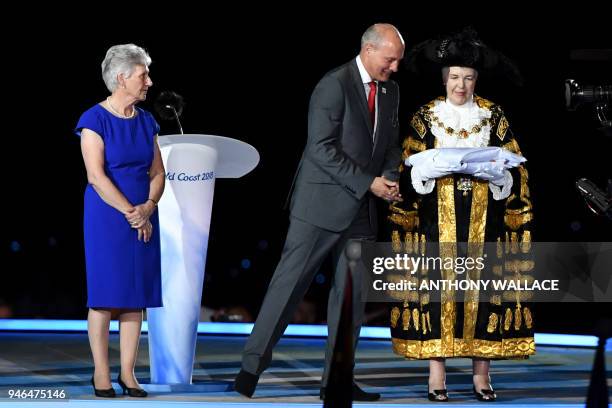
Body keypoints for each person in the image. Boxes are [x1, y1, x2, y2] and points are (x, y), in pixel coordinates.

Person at [234, 23, 405, 401]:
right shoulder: (334, 84)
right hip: (319, 206)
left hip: (362, 209)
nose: (394, 68)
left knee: (351, 299)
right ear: (369, 49)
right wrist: (368, 183)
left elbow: (392, 143)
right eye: (390, 59)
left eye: (398, 61)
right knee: (288, 288)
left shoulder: (391, 91)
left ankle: (338, 378)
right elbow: (321, 149)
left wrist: (389, 177)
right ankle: (249, 370)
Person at [387, 28, 535, 402]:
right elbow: (406, 167)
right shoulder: (426, 116)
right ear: (444, 79)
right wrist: (423, 172)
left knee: (484, 294)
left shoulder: (493, 116)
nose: (461, 85)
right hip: (439, 219)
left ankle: (481, 377)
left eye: (468, 78)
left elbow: (518, 167)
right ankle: (436, 377)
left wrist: (501, 174)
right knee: (438, 293)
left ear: (476, 81)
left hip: (486, 219)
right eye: (454, 77)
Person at [76, 44, 165, 398]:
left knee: (134, 297)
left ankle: (128, 374)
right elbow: (96, 177)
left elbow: (158, 171)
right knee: (104, 297)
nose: (149, 81)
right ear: (122, 77)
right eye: (143, 74)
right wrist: (132, 212)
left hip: (142, 214)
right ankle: (101, 373)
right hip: (108, 216)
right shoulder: (93, 120)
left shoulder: (147, 121)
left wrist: (148, 206)